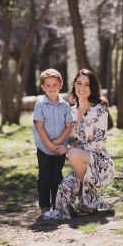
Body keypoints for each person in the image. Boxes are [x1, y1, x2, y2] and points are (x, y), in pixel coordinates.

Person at [43, 69, 115, 219]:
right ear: (74, 85)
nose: (82, 88)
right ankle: (88, 200)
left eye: (87, 85)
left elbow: (99, 143)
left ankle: (89, 203)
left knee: (74, 153)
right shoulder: (69, 111)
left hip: (100, 165)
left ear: (93, 87)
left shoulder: (99, 109)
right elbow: (64, 137)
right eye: (79, 83)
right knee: (62, 191)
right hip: (79, 163)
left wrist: (69, 150)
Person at [32, 69, 73, 215]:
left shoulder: (66, 106)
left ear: (61, 85)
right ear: (43, 87)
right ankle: (44, 206)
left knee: (57, 175)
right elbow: (39, 126)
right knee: (44, 176)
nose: (52, 88)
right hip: (44, 148)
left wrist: (61, 141)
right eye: (48, 85)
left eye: (55, 84)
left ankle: (57, 205)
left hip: (60, 148)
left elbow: (69, 126)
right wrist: (49, 144)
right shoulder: (40, 105)